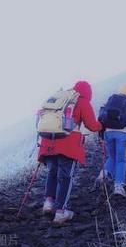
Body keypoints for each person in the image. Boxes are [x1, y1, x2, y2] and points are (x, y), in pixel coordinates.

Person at [38, 81, 102, 225]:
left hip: (48, 142)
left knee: (52, 171)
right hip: (67, 144)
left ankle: (49, 202)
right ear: (88, 92)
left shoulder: (61, 100)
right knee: (65, 176)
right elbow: (92, 125)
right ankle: (61, 212)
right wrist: (101, 125)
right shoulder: (83, 101)